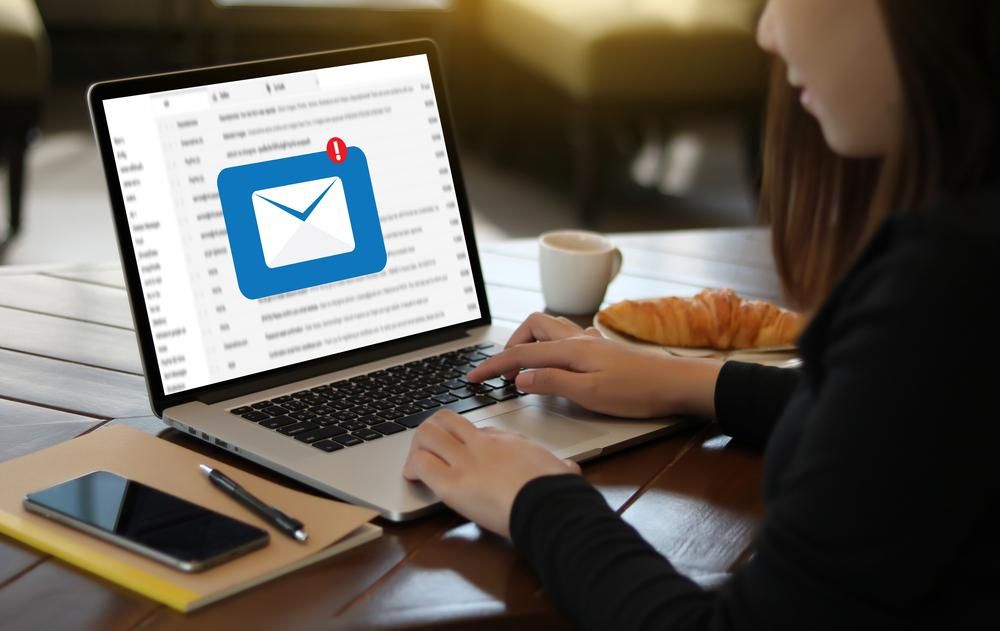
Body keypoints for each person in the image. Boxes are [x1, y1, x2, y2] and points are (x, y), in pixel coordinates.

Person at [402, 0, 1000, 628]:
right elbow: (901, 426)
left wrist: (535, 496)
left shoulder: (948, 285)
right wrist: (686, 381)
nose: (766, 32)